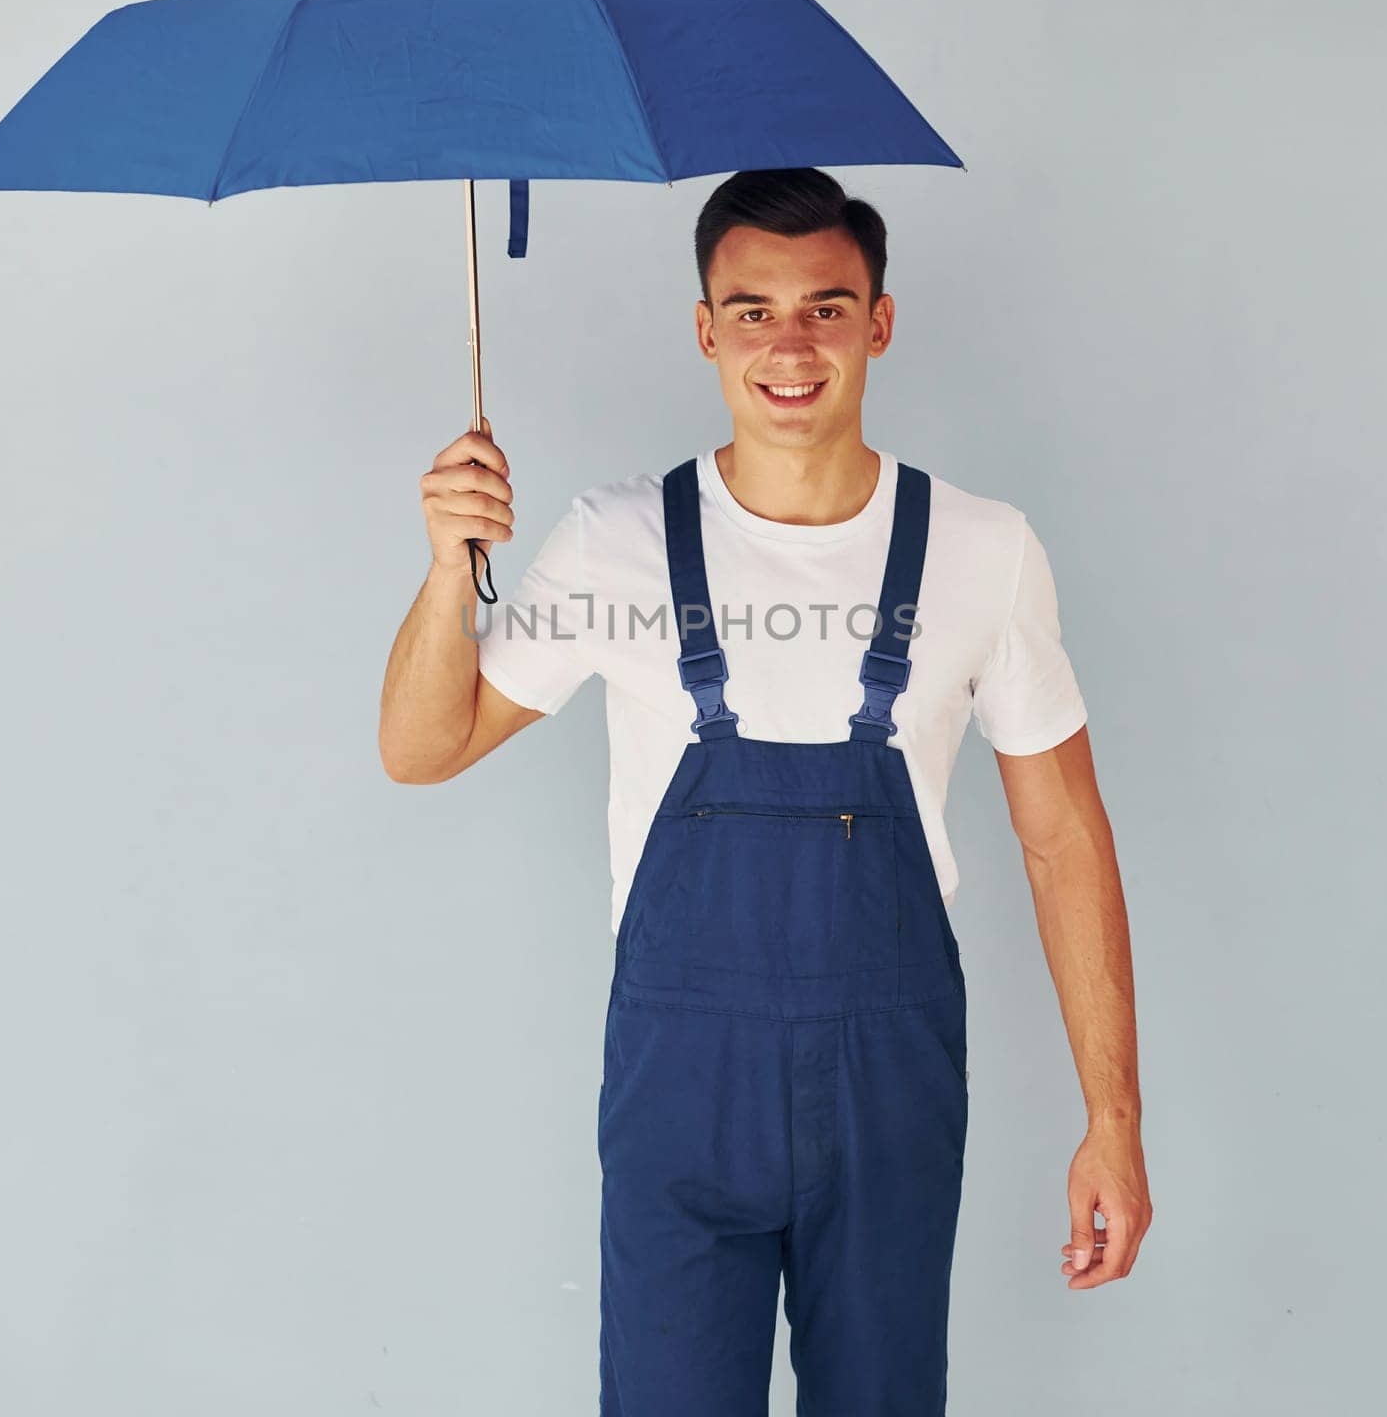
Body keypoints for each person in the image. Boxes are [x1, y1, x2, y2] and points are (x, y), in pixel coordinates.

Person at [378, 167, 1151, 1414]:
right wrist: (442, 568)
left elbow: (1063, 840)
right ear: (705, 329)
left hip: (887, 1090)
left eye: (825, 308)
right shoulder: (613, 541)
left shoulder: (983, 552)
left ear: (878, 323)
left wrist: (1111, 1120)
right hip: (683, 1092)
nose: (787, 346)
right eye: (750, 311)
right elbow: (423, 746)